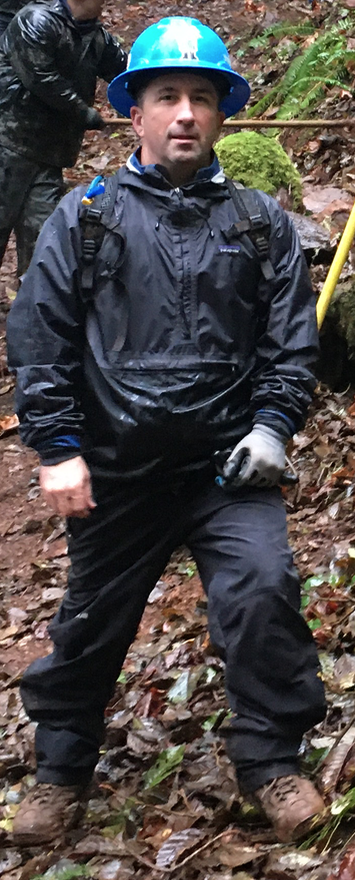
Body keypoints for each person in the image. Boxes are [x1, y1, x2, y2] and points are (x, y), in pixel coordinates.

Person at [7, 15, 327, 846]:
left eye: (200, 97)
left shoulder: (261, 224)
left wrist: (273, 425)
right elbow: (39, 339)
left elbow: (292, 342)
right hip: (116, 472)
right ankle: (60, 773)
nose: (184, 112)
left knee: (263, 594)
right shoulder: (83, 219)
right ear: (134, 112)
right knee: (87, 626)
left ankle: (271, 763)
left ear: (222, 114)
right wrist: (59, 448)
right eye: (166, 96)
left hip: (229, 472)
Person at [0, 0, 126, 278]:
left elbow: (125, 72)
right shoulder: (35, 21)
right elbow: (41, 78)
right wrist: (84, 113)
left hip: (49, 156)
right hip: (7, 147)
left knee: (43, 241)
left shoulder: (97, 38)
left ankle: (33, 309)